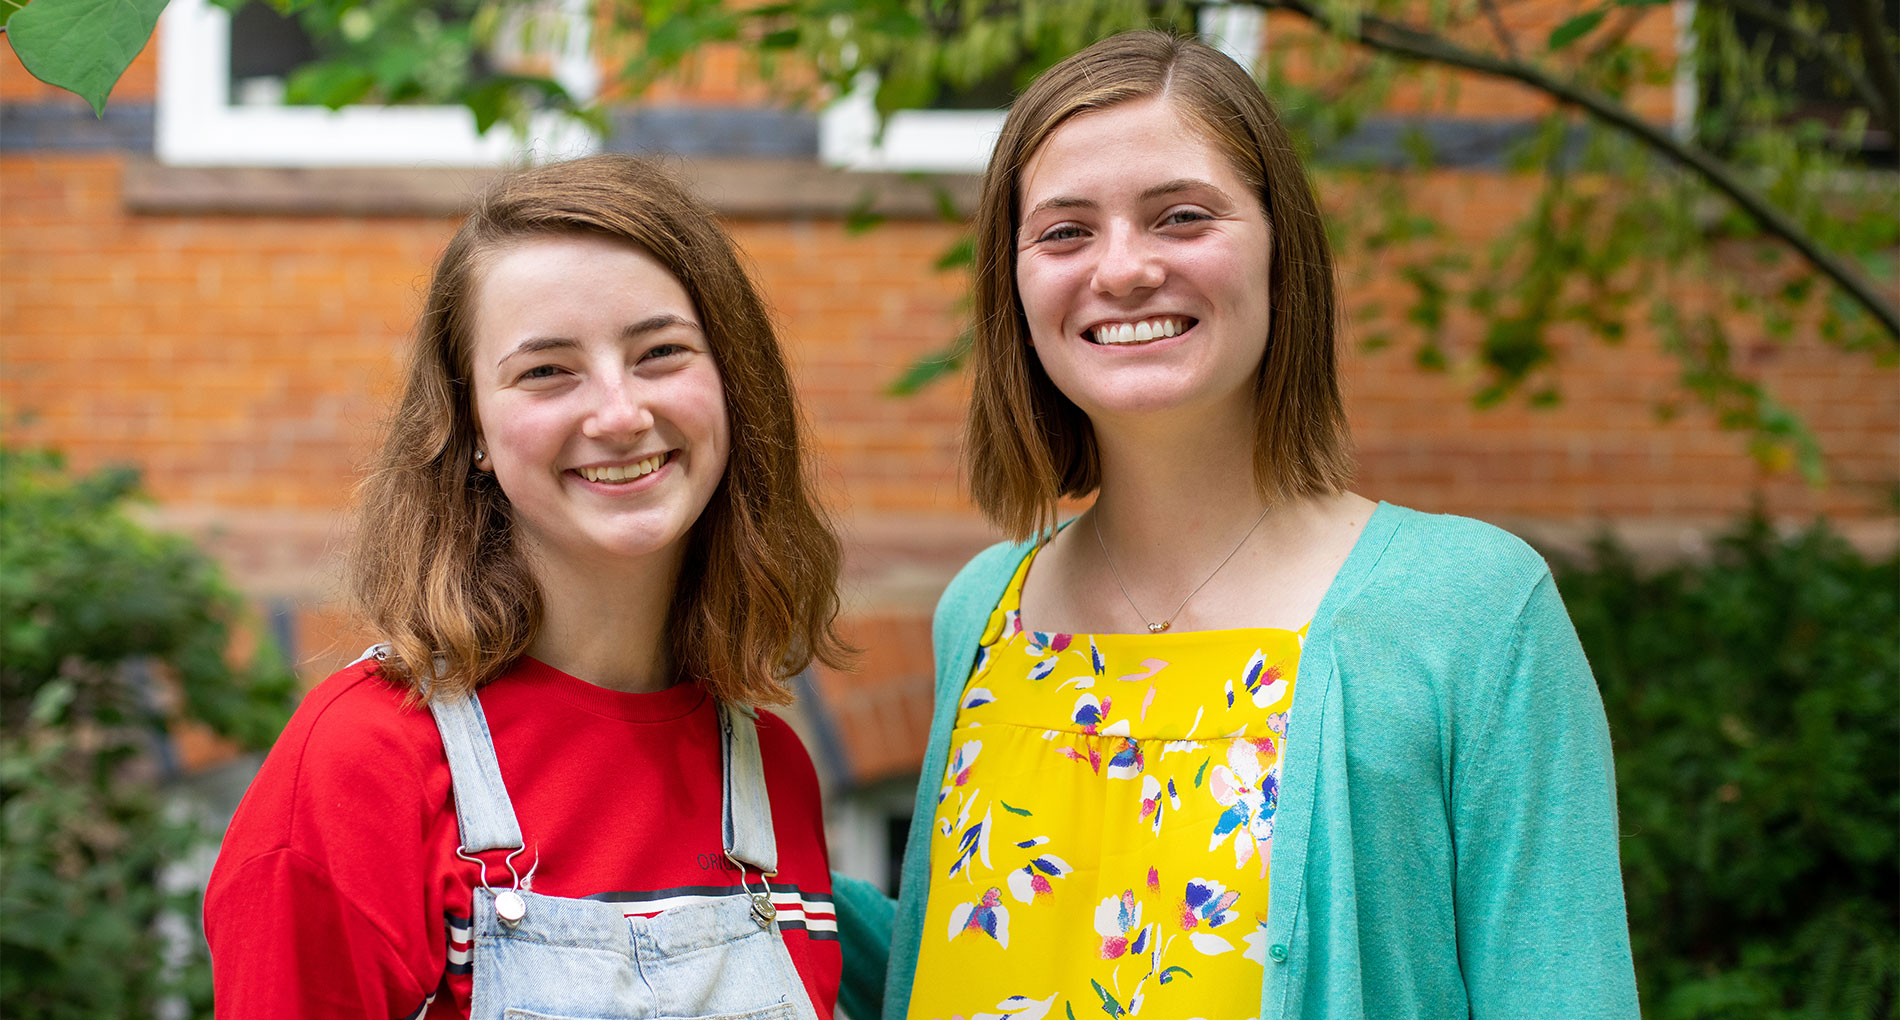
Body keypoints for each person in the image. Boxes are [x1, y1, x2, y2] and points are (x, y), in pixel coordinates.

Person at [832, 29, 1640, 1020]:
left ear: (1278, 250)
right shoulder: (981, 612)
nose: (1121, 269)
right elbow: (945, 955)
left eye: (1180, 216)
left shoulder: (1471, 611)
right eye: (1064, 231)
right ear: (1013, 283)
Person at [205, 155, 851, 1019]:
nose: (619, 413)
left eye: (661, 353)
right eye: (547, 370)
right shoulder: (362, 767)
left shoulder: (773, 773)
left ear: (733, 387)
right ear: (470, 426)